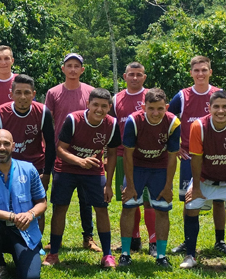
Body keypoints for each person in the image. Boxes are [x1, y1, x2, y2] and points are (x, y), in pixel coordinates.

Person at [169, 55, 226, 255]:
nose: (200, 74)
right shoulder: (182, 97)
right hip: (190, 158)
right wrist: (175, 147)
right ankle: (187, 241)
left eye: (204, 70)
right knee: (188, 199)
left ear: (210, 72)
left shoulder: (219, 94)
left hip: (218, 159)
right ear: (191, 73)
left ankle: (220, 241)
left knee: (219, 199)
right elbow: (168, 121)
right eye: (196, 70)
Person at [179, 90, 226, 271]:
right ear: (209, 108)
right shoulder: (198, 126)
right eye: (216, 107)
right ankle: (190, 255)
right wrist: (196, 187)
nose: (220, 111)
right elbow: (196, 159)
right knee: (191, 207)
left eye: (225, 107)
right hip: (205, 180)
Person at [43, 88, 121, 268]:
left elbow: (112, 152)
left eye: (103, 106)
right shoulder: (74, 119)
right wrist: (79, 161)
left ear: (109, 107)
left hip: (93, 171)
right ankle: (53, 253)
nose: (99, 109)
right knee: (60, 208)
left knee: (102, 208)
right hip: (66, 169)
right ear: (88, 104)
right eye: (95, 105)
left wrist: (108, 185)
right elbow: (60, 150)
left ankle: (107, 255)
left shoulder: (112, 124)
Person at [0, 74, 55, 237]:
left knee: (37, 205)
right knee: (0, 205)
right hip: (5, 168)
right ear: (11, 94)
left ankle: (36, 244)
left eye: (27, 93)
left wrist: (47, 173)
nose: (23, 97)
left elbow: (51, 144)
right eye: (19, 92)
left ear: (33, 94)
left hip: (35, 167)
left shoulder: (43, 112)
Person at [0, 130, 48, 279]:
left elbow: (42, 202)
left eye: (6, 143)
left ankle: (22, 254)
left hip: (23, 231)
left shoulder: (29, 170)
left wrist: (30, 214)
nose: (2, 148)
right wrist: (11, 216)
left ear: (13, 146)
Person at [44, 53, 99, 252]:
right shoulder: (53, 93)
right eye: (69, 65)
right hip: (63, 153)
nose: (73, 69)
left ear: (82, 70)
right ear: (63, 69)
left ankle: (88, 237)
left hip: (87, 151)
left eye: (77, 66)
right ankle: (54, 240)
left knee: (86, 200)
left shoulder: (91, 92)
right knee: (59, 200)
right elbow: (47, 122)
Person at [119, 88, 180, 268]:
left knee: (162, 210)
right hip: (136, 167)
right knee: (129, 207)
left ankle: (161, 255)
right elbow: (128, 155)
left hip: (159, 168)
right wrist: (130, 185)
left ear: (166, 107)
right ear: (144, 107)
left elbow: (172, 157)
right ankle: (125, 253)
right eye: (151, 108)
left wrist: (168, 186)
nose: (155, 113)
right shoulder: (133, 121)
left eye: (160, 109)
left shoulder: (173, 123)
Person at [111, 62, 156, 256]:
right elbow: (112, 128)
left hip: (147, 156)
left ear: (144, 77)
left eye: (139, 74)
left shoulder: (151, 97)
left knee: (150, 201)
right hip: (122, 155)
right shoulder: (116, 99)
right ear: (125, 76)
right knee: (129, 199)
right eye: (131, 74)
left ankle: (154, 241)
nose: (135, 78)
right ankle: (135, 239)